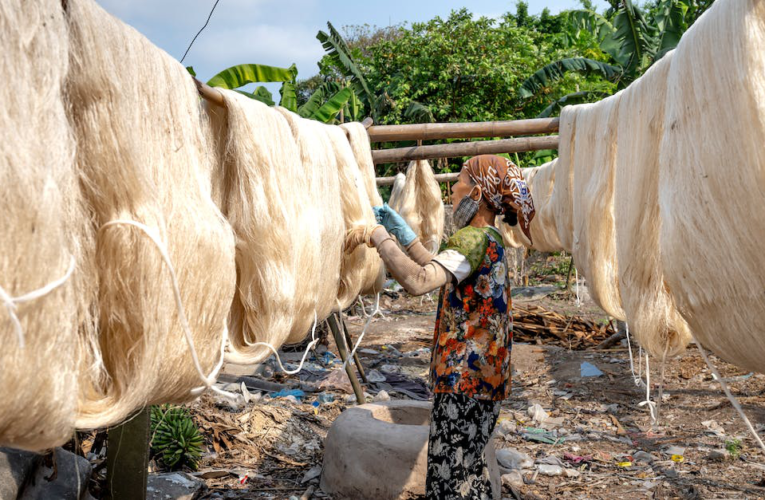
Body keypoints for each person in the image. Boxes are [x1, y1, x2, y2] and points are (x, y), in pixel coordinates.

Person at [346, 154, 535, 499]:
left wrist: (377, 236)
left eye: (460, 180)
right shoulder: (488, 240)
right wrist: (402, 234)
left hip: (464, 381)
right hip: (484, 381)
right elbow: (437, 266)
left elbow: (419, 281)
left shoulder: (473, 240)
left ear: (476, 193)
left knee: (448, 483)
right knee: (468, 474)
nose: (453, 188)